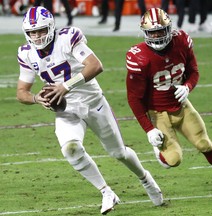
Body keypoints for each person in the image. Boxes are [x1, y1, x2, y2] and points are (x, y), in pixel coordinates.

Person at [16, 6, 164, 215]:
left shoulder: (68, 38)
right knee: (70, 149)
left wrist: (65, 86)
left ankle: (145, 179)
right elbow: (21, 91)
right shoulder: (26, 53)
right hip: (65, 109)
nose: (37, 36)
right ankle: (106, 192)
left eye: (41, 30)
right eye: (33, 32)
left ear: (50, 27)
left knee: (119, 152)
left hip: (93, 102)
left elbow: (95, 65)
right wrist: (35, 98)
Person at [125, 8, 212, 191]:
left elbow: (194, 71)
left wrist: (187, 87)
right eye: (153, 32)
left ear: (170, 29)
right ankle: (160, 150)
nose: (158, 36)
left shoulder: (182, 41)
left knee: (204, 143)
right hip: (157, 112)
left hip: (181, 106)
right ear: (145, 33)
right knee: (173, 160)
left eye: (161, 30)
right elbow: (134, 98)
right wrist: (149, 129)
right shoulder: (139, 57)